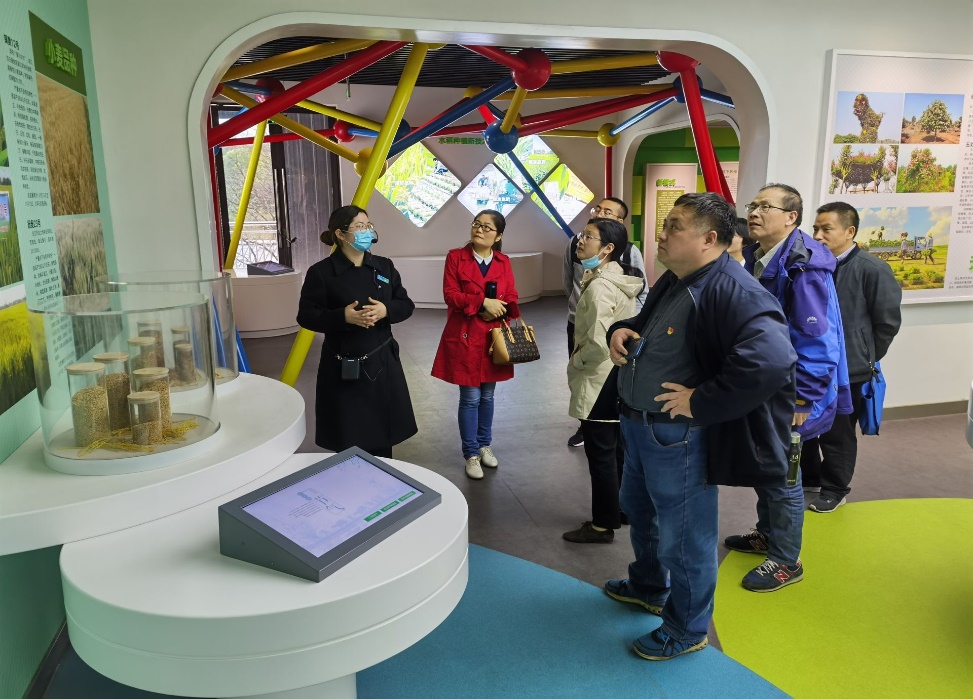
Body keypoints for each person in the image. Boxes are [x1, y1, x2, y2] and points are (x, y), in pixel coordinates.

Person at [603, 192, 796, 660]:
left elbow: (773, 359)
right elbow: (651, 325)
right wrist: (622, 328)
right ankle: (648, 586)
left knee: (685, 536)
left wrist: (702, 401)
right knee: (641, 511)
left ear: (709, 239)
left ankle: (686, 628)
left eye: (674, 226)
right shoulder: (680, 278)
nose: (662, 234)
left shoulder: (733, 289)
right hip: (641, 425)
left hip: (678, 437)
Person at [725, 184, 851, 592]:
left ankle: (785, 560)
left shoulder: (804, 266)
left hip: (792, 391)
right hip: (766, 384)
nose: (755, 212)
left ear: (791, 217)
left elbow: (818, 342)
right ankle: (767, 534)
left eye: (766, 206)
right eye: (753, 205)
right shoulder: (760, 257)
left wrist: (803, 397)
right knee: (766, 463)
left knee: (784, 474)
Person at [296, 205, 418, 457]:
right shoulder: (321, 272)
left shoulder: (384, 267)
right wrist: (342, 316)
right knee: (349, 437)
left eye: (368, 225)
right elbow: (306, 316)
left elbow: (406, 305)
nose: (366, 231)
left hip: (382, 362)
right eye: (359, 226)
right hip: (343, 365)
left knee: (382, 438)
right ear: (340, 234)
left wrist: (385, 310)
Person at [804, 202, 902, 512]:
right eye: (815, 228)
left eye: (826, 229)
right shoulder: (811, 265)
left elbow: (887, 323)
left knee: (838, 433)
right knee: (806, 425)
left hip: (851, 370)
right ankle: (810, 477)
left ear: (850, 231)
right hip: (813, 366)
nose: (818, 236)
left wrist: (863, 357)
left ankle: (835, 489)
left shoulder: (872, 269)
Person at [562, 218, 644, 544]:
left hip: (599, 377)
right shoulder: (617, 278)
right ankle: (622, 509)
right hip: (618, 374)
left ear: (608, 248)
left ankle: (601, 525)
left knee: (601, 455)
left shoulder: (598, 287)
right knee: (617, 450)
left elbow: (598, 343)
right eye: (583, 235)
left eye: (589, 237)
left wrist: (576, 361)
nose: (581, 241)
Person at [431, 210, 521, 480]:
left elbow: (512, 295)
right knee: (470, 398)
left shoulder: (504, 261)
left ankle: (484, 445)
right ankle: (470, 453)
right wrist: (482, 303)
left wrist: (499, 310)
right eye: (476, 224)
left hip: (493, 336)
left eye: (487, 227)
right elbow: (450, 295)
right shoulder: (455, 257)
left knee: (488, 396)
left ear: (498, 236)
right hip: (465, 335)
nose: (479, 230)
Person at [563, 197, 647, 448]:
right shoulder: (576, 246)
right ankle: (586, 423)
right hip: (579, 321)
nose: (599, 213)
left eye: (607, 211)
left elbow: (638, 289)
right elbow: (569, 282)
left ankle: (595, 421)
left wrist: (630, 324)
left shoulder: (627, 256)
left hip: (611, 337)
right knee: (586, 385)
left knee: (596, 387)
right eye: (597, 209)